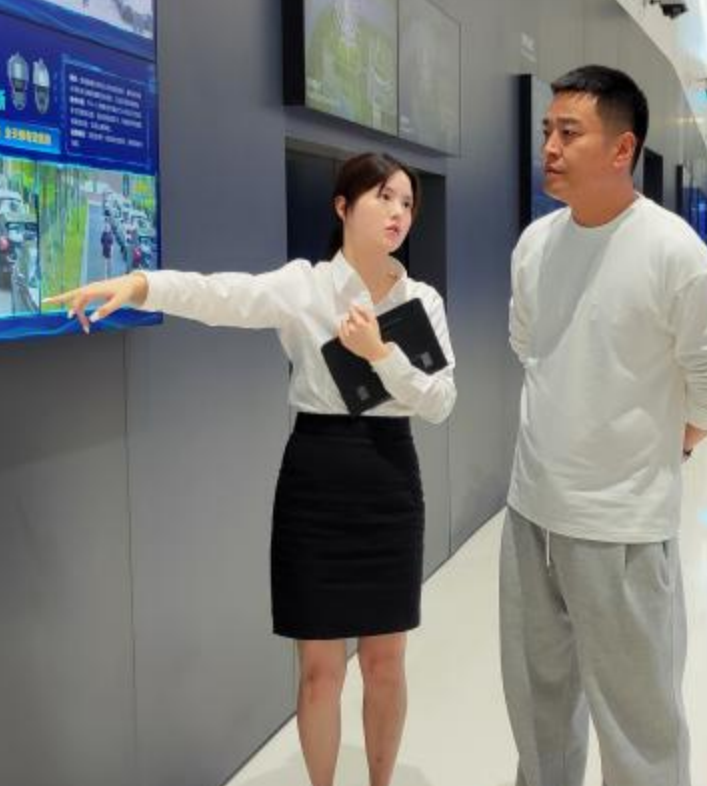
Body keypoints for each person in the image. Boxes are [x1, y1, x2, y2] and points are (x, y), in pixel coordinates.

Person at [48, 153, 455, 786]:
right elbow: (222, 295)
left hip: (390, 479)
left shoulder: (421, 299)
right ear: (343, 207)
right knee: (319, 671)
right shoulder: (305, 286)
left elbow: (440, 400)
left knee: (385, 663)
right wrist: (142, 284)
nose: (398, 212)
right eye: (383, 197)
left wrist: (381, 354)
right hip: (317, 476)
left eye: (407, 202)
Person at [503, 65, 707, 786]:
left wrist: (676, 443)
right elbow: (527, 344)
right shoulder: (536, 244)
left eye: (568, 132)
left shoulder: (672, 251)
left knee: (640, 730)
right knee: (538, 718)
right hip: (531, 511)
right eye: (547, 130)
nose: (549, 146)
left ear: (621, 148)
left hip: (623, 525)